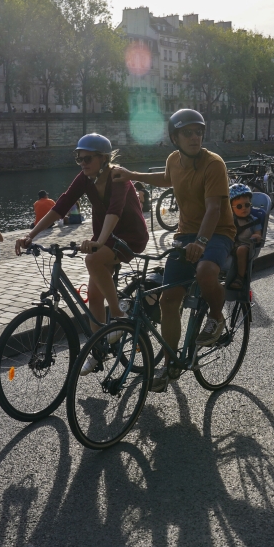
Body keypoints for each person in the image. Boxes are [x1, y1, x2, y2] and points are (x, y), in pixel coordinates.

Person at [111, 109, 236, 391]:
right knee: (169, 299)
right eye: (187, 133)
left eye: (198, 132)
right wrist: (131, 174)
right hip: (186, 233)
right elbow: (167, 178)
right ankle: (169, 365)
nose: (195, 137)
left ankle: (216, 318)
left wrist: (201, 243)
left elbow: (215, 209)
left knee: (206, 270)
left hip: (217, 232)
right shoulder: (173, 160)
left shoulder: (214, 164)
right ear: (175, 138)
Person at [17, 134, 149, 374]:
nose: (82, 163)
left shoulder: (118, 176)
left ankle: (119, 316)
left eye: (87, 158)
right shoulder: (86, 178)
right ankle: (98, 352)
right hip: (105, 238)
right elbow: (62, 205)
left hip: (129, 237)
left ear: (103, 158)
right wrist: (31, 235)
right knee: (94, 297)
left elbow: (114, 211)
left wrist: (98, 242)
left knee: (92, 259)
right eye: (79, 158)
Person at [227, 184, 265, 290]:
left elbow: (258, 234)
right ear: (231, 208)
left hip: (248, 246)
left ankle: (240, 277)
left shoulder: (254, 220)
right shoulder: (229, 220)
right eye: (239, 206)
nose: (244, 208)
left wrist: (256, 236)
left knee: (241, 250)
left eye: (247, 205)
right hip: (233, 245)